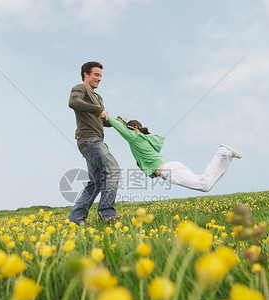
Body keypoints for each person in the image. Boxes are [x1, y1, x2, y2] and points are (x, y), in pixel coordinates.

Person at [108, 116, 241, 192]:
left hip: (168, 170)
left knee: (203, 184)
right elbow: (127, 127)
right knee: (206, 186)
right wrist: (124, 122)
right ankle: (226, 155)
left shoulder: (135, 138)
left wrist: (106, 115)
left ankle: (221, 152)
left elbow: (120, 128)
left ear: (134, 130)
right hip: (172, 166)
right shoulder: (143, 138)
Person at [67, 62, 120, 224]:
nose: (99, 79)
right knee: (113, 170)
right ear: (86, 75)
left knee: (96, 182)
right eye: (96, 75)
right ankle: (107, 213)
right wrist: (97, 109)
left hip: (93, 140)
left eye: (100, 76)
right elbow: (73, 102)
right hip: (89, 139)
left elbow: (101, 120)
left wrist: (116, 122)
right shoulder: (81, 89)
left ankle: (76, 219)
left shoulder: (97, 97)